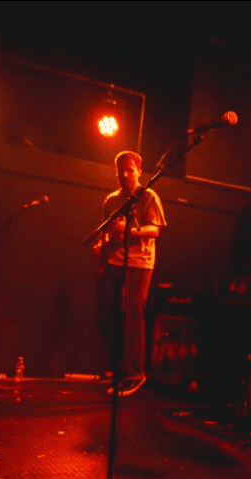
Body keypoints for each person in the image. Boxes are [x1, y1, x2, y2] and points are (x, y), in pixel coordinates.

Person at [93, 151, 166, 396]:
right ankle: (118, 368)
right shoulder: (112, 200)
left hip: (140, 262)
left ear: (139, 172)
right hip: (114, 260)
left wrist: (129, 232)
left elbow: (155, 230)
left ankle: (135, 373)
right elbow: (106, 233)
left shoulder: (148, 196)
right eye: (121, 171)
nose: (125, 175)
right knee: (107, 313)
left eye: (130, 170)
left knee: (134, 314)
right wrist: (101, 247)